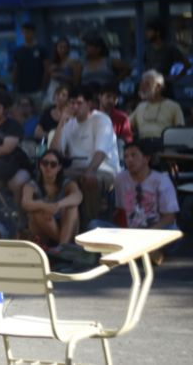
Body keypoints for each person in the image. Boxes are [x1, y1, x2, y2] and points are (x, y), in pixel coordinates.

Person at [49, 85, 120, 227]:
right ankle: (59, 223)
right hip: (76, 168)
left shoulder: (101, 120)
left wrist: (90, 170)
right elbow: (54, 153)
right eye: (72, 103)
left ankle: (90, 225)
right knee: (50, 174)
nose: (75, 107)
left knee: (89, 179)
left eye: (79, 103)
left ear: (89, 104)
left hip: (103, 168)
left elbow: (101, 152)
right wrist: (62, 122)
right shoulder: (69, 124)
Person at [100, 141, 180, 265]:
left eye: (134, 155)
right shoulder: (120, 179)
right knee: (95, 225)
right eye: (126, 156)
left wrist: (149, 232)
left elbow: (169, 217)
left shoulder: (161, 181)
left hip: (155, 231)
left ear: (146, 158)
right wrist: (126, 232)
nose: (129, 160)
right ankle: (146, 252)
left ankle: (136, 251)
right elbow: (121, 211)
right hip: (131, 232)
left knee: (174, 232)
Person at [21, 149, 82, 246]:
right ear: (40, 165)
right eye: (45, 163)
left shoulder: (67, 183)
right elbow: (25, 203)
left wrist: (58, 205)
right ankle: (62, 245)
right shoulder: (31, 185)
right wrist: (44, 206)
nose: (48, 167)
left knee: (72, 208)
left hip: (66, 223)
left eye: (53, 164)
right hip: (44, 230)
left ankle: (62, 246)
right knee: (37, 211)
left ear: (59, 167)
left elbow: (78, 196)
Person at [0, 90, 32, 211]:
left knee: (16, 183)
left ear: (5, 109)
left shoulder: (13, 126)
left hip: (16, 166)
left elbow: (6, 149)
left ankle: (19, 214)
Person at [129, 70, 184, 141]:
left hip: (166, 147)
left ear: (158, 87)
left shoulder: (173, 106)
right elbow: (126, 125)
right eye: (142, 84)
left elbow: (180, 131)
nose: (142, 87)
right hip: (142, 147)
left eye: (147, 84)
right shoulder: (140, 106)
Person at [11, 22, 49, 104]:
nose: (25, 35)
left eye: (28, 32)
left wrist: (43, 85)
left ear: (33, 33)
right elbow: (15, 69)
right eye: (24, 33)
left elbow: (47, 69)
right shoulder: (18, 51)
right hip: (22, 90)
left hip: (37, 89)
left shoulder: (41, 49)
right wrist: (14, 85)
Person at [44, 38, 80, 108]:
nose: (63, 50)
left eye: (65, 47)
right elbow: (46, 80)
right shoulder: (53, 63)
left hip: (66, 92)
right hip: (52, 92)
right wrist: (49, 72)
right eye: (60, 47)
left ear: (68, 49)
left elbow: (76, 81)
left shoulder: (74, 63)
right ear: (56, 48)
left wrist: (61, 76)